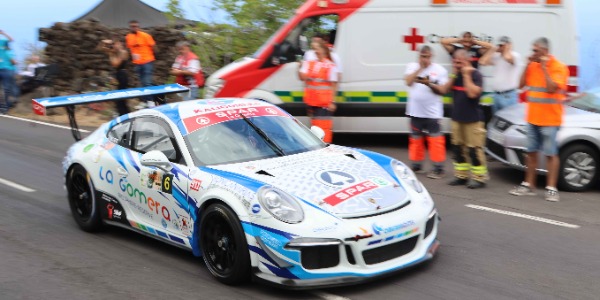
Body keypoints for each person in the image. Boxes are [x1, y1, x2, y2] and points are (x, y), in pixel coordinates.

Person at [509, 37, 569, 202]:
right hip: (533, 117)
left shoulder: (559, 67)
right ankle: (529, 185)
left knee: (551, 154)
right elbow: (521, 86)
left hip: (550, 119)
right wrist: (527, 65)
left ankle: (551, 188)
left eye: (535, 50)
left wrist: (543, 68)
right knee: (530, 153)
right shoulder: (533, 66)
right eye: (533, 50)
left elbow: (551, 89)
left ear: (544, 51)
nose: (532, 53)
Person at [430, 49, 488, 189]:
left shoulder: (475, 74)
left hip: (473, 119)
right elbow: (444, 90)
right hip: (457, 118)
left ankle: (479, 178)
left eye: (459, 62)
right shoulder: (455, 75)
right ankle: (461, 175)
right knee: (457, 149)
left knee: (474, 150)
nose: (456, 64)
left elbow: (472, 94)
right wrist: (454, 75)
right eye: (454, 62)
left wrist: (466, 75)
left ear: (467, 61)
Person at [404, 45, 448, 179]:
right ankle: (416, 165)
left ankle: (438, 168)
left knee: (435, 141)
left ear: (431, 57)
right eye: (423, 56)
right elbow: (408, 82)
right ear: (419, 56)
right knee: (415, 140)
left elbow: (443, 90)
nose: (426, 59)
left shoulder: (439, 70)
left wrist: (430, 84)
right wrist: (420, 68)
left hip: (432, 113)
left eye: (428, 57)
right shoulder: (412, 66)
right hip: (415, 112)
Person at [299, 40, 339, 143]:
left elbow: (334, 84)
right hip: (312, 102)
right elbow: (303, 77)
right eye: (313, 49)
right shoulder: (311, 64)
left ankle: (326, 147)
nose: (315, 51)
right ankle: (318, 147)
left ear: (323, 50)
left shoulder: (330, 65)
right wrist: (300, 66)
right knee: (315, 128)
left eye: (317, 48)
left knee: (323, 128)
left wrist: (332, 102)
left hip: (324, 103)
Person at [480, 36, 523, 113]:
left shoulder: (515, 55)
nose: (500, 47)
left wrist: (507, 48)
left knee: (509, 118)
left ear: (509, 45)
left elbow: (507, 58)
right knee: (497, 120)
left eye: (502, 45)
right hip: (496, 95)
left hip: (508, 95)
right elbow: (482, 62)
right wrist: (492, 49)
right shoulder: (497, 56)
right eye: (499, 45)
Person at [125, 20, 156, 108]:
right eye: (132, 26)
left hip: (147, 61)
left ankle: (151, 101)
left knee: (147, 82)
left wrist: (151, 57)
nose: (134, 28)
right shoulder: (128, 37)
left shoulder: (145, 36)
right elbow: (130, 48)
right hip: (137, 63)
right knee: (142, 83)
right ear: (129, 27)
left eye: (135, 26)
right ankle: (145, 101)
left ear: (138, 27)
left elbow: (153, 46)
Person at [99, 36, 130, 116]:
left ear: (120, 44)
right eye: (114, 44)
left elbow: (115, 64)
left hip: (123, 75)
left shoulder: (123, 52)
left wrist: (111, 54)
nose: (114, 45)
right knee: (119, 98)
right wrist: (104, 42)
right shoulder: (114, 52)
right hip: (118, 75)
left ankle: (125, 114)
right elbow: (100, 48)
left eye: (115, 43)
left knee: (121, 98)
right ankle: (122, 114)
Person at [0, 30, 17, 114]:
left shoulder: (3, 43)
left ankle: (5, 107)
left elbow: (11, 39)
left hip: (6, 69)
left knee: (6, 89)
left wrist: (3, 33)